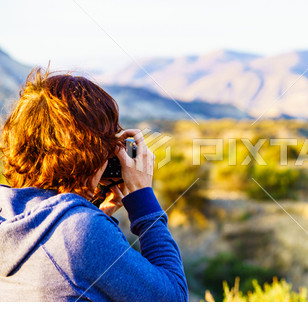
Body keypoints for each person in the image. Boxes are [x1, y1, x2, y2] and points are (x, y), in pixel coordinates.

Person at [0, 68, 188, 301]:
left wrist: (91, 207)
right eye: (109, 140)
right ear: (90, 150)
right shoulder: (79, 231)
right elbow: (173, 299)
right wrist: (142, 198)